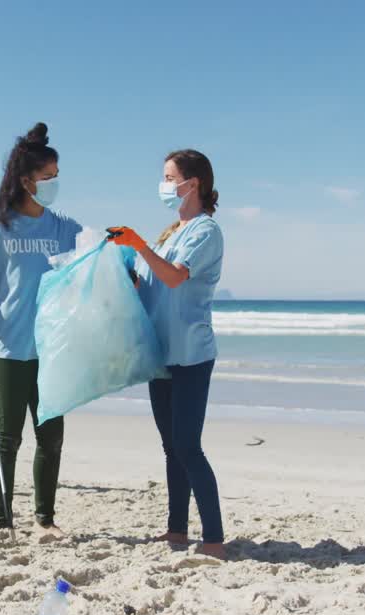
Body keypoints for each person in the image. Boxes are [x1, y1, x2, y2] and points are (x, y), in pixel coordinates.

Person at [0, 122, 83, 536]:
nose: (54, 183)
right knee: (7, 438)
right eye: (48, 177)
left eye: (57, 176)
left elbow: (94, 256)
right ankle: (3, 520)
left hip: (51, 347)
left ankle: (45, 518)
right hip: (5, 345)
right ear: (26, 181)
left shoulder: (63, 228)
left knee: (51, 437)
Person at [107, 149, 226, 559]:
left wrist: (139, 244)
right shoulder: (171, 232)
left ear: (193, 184)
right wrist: (124, 266)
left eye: (170, 177)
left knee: (188, 445)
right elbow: (150, 285)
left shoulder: (206, 232)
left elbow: (175, 277)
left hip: (191, 353)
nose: (164, 185)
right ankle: (177, 531)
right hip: (161, 354)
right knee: (171, 446)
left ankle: (214, 539)